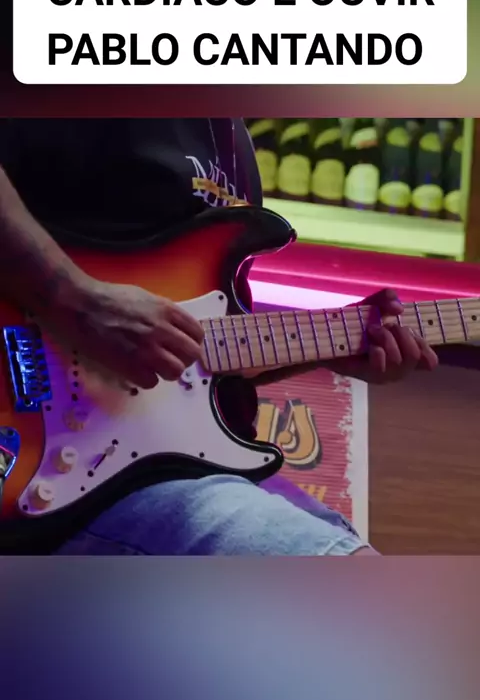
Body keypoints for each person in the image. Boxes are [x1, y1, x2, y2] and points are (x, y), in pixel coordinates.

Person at [0, 117, 459, 556]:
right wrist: (78, 301)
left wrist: (333, 345)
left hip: (171, 469)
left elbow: (196, 352)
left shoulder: (230, 137)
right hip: (62, 475)